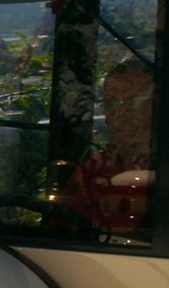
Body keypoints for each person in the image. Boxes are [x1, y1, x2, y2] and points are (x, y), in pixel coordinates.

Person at [60, 60, 155, 234]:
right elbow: (63, 233)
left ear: (155, 106)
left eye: (131, 103)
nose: (118, 114)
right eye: (111, 104)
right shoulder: (92, 171)